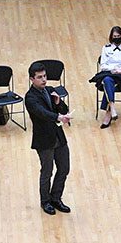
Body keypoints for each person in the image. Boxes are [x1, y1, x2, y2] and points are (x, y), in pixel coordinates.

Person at [25, 61, 72, 216]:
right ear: (32, 79)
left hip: (58, 136)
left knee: (64, 168)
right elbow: (42, 113)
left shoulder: (51, 91)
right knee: (47, 171)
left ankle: (56, 198)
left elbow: (65, 109)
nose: (44, 80)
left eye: (44, 76)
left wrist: (58, 103)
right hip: (44, 140)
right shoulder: (30, 97)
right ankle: (45, 201)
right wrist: (58, 116)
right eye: (39, 77)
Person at [92, 26, 121, 128]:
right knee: (108, 80)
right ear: (111, 37)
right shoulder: (106, 48)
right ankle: (111, 108)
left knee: (108, 84)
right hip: (109, 73)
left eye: (118, 36)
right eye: (114, 36)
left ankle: (109, 112)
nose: (116, 38)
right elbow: (103, 65)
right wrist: (113, 69)